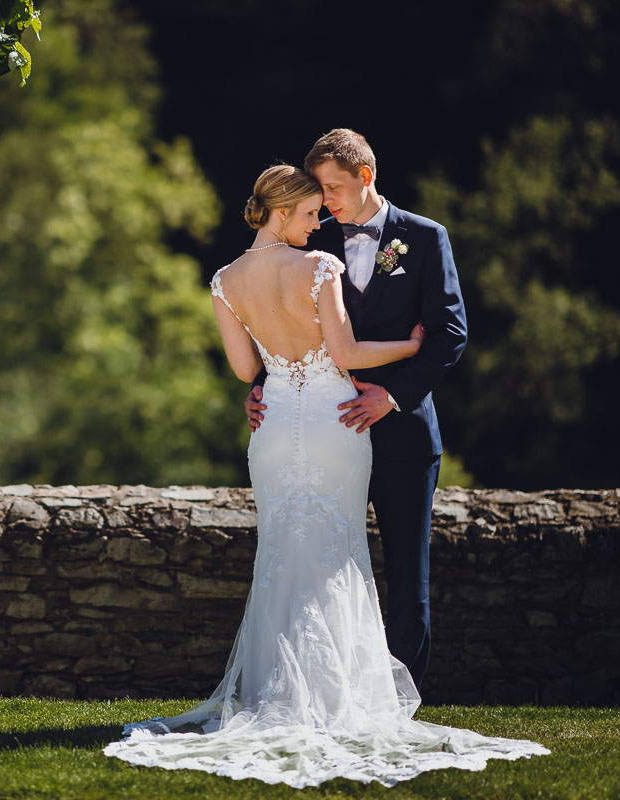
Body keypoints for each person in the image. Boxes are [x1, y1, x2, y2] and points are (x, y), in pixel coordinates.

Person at [103, 161, 548, 787]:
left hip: (279, 427)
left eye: (326, 204)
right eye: (311, 211)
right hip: (336, 422)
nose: (321, 221)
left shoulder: (225, 280)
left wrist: (273, 383)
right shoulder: (319, 263)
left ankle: (276, 697)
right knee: (337, 554)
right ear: (283, 212)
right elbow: (342, 354)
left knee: (285, 554)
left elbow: (243, 369)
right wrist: (410, 345)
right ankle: (343, 700)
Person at [249, 129, 462, 690]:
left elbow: (449, 335)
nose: (325, 203)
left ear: (366, 175)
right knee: (319, 560)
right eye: (319, 191)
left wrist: (388, 397)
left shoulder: (424, 237)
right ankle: (319, 693)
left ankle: (398, 702)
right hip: (324, 432)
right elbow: (280, 320)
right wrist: (267, 386)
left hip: (402, 433)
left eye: (333, 188)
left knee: (406, 575)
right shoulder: (313, 243)